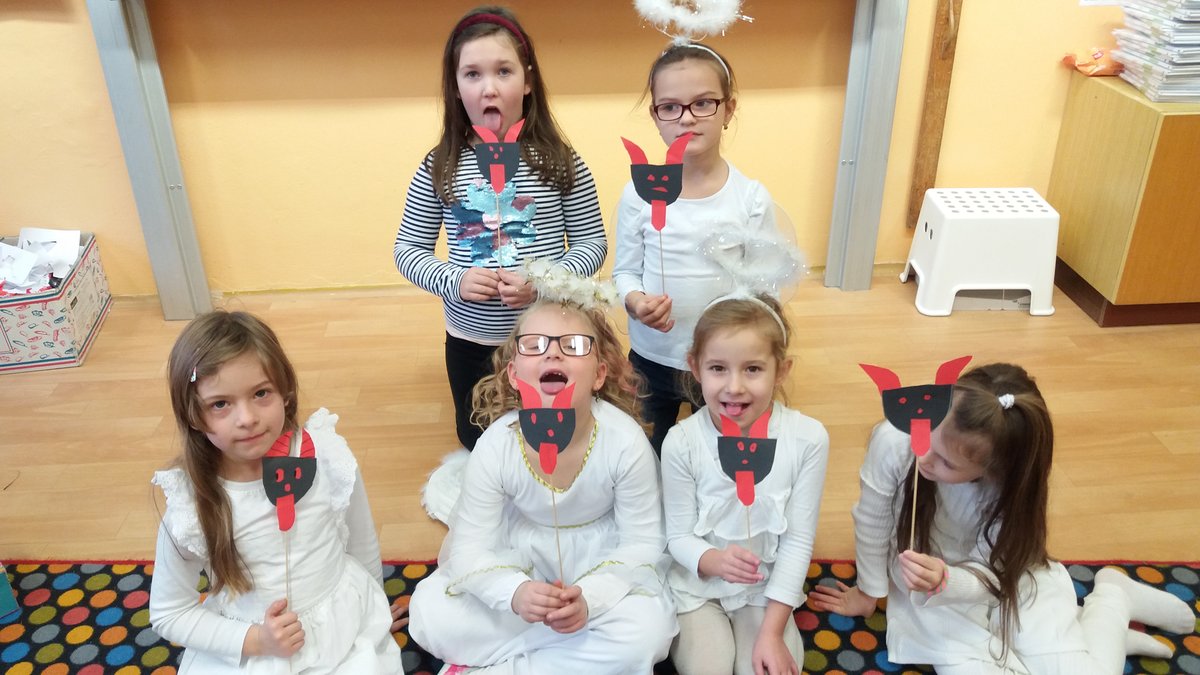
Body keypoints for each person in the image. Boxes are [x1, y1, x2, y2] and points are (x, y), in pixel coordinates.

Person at [808, 362, 1196, 674]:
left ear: (992, 472)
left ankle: (1111, 598)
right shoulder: (896, 439)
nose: (924, 456)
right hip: (931, 597)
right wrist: (869, 591)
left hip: (1000, 581)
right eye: (929, 436)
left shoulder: (1007, 492)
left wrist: (949, 579)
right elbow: (871, 519)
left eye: (948, 463)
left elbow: (998, 573)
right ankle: (1097, 635)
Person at [407, 273, 678, 673]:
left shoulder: (625, 441)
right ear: (514, 374)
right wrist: (515, 593)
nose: (553, 355)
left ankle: (512, 662)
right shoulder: (497, 444)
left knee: (648, 633)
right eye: (534, 346)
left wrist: (590, 599)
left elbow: (642, 543)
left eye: (574, 346)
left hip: (600, 563)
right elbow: (469, 549)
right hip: (520, 557)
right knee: (431, 614)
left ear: (599, 374)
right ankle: (563, 658)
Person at [394, 5, 607, 451]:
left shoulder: (560, 162)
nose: (488, 87)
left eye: (503, 71)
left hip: (549, 337)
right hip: (472, 341)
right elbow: (408, 250)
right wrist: (455, 280)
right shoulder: (440, 166)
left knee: (553, 433)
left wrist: (545, 282)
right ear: (456, 88)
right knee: (480, 437)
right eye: (472, 74)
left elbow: (592, 242)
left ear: (528, 81)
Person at [149, 310, 404, 673]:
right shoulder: (192, 503)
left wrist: (373, 613)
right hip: (256, 648)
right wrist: (257, 640)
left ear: (285, 392)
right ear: (192, 415)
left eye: (261, 393)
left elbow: (362, 542)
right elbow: (169, 613)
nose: (247, 418)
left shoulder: (327, 457)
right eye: (220, 404)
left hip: (342, 631)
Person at [613, 41, 778, 453]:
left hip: (724, 364)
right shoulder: (638, 194)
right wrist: (635, 302)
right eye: (670, 107)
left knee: (719, 451)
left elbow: (764, 289)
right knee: (648, 450)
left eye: (703, 103)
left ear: (729, 109)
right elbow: (625, 272)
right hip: (653, 357)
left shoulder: (750, 198)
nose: (686, 118)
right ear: (656, 116)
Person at [661, 294, 829, 675]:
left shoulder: (807, 439)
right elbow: (678, 537)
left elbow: (798, 541)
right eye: (718, 368)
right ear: (695, 367)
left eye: (753, 369)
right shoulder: (682, 442)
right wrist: (714, 560)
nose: (734, 387)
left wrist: (772, 631)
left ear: (781, 370)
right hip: (698, 587)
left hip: (764, 588)